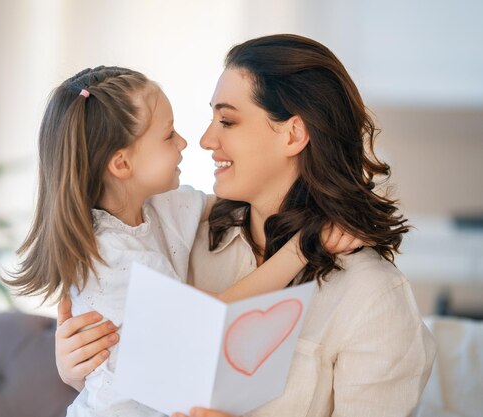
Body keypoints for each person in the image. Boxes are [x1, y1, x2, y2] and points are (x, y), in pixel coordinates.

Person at [54, 35, 436, 417]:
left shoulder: (371, 296)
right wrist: (82, 366)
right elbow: (140, 368)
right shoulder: (180, 240)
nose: (204, 140)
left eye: (227, 120)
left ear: (293, 134)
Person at [6, 66, 362, 417]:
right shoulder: (113, 257)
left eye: (227, 121)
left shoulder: (159, 208)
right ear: (122, 163)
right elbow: (212, 315)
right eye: (168, 135)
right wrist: (301, 248)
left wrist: (336, 203)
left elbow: (222, 202)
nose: (189, 142)